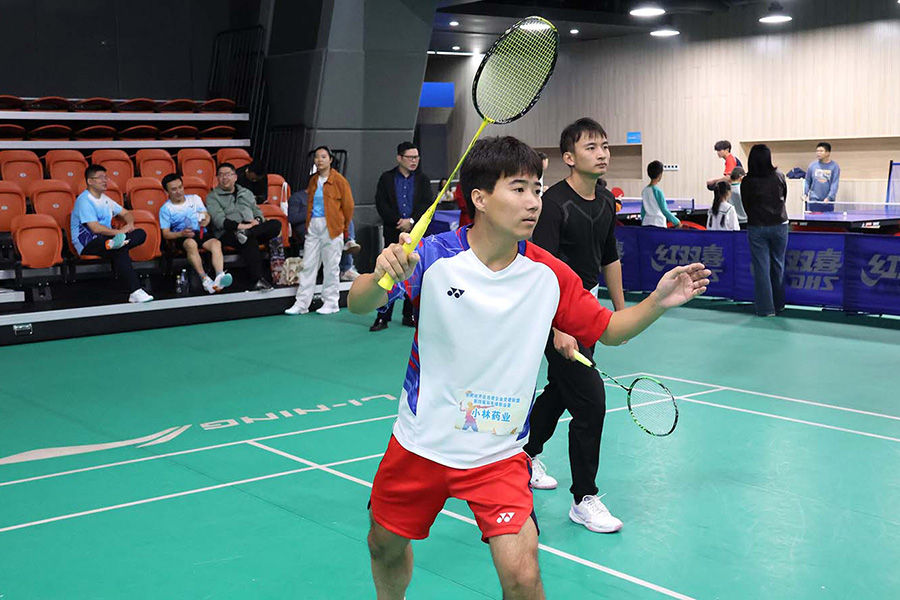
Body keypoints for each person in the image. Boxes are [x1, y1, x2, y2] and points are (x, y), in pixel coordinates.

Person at [348, 135, 710, 600]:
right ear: (479, 198)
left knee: (523, 576)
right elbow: (359, 303)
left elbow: (609, 330)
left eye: (537, 189)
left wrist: (658, 302)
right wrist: (383, 275)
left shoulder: (549, 274)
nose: (534, 201)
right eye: (518, 189)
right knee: (383, 546)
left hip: (497, 455)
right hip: (420, 446)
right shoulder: (432, 256)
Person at [524, 118, 627, 534]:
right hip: (555, 312)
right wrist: (556, 326)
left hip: (587, 308)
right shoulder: (552, 204)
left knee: (560, 390)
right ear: (569, 157)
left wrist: (621, 313)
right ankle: (584, 498)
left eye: (605, 146)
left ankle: (524, 455)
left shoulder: (605, 200)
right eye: (591, 147)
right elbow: (540, 268)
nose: (601, 154)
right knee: (590, 401)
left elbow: (609, 255)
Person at [370, 142, 434, 331]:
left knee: (414, 272)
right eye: (410, 157)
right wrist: (398, 221)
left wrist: (411, 221)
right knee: (388, 273)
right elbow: (381, 203)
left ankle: (409, 315)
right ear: (400, 158)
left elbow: (427, 204)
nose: (414, 161)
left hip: (415, 234)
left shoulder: (423, 180)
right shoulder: (387, 178)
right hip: (393, 231)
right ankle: (382, 317)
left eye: (417, 157)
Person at [285, 146, 355, 315]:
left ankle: (331, 302)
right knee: (308, 265)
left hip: (332, 226)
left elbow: (348, 206)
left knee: (331, 266)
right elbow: (310, 204)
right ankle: (302, 304)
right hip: (314, 226)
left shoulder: (339, 181)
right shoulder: (314, 180)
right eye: (317, 157)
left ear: (330, 160)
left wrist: (344, 228)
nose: (319, 160)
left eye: (323, 156)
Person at [71, 164, 153, 303]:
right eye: (101, 177)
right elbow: (95, 228)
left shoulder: (105, 199)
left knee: (140, 233)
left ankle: (117, 243)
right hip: (87, 241)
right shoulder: (84, 200)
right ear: (90, 181)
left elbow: (126, 213)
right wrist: (120, 232)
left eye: (106, 177)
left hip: (108, 239)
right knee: (119, 249)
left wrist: (130, 224)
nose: (105, 180)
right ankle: (135, 291)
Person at [206, 162, 282, 291]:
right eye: (221, 175)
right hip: (228, 232)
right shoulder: (212, 197)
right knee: (249, 241)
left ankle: (247, 233)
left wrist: (257, 220)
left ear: (235, 177)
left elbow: (257, 212)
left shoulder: (246, 193)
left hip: (250, 228)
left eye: (228, 174)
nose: (224, 178)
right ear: (217, 178)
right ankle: (258, 279)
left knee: (276, 224)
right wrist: (241, 226)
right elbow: (219, 221)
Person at [159, 174, 232, 294]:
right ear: (166, 192)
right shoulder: (165, 209)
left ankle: (219, 276)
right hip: (182, 236)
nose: (179, 191)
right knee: (191, 244)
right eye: (174, 189)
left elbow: (206, 215)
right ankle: (205, 279)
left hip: (200, 233)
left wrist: (206, 220)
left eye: (180, 187)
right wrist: (181, 234)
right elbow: (166, 234)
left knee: (216, 243)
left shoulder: (195, 199)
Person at [741, 144, 788, 317]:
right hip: (780, 225)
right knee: (778, 265)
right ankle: (779, 304)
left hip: (757, 227)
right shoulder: (779, 176)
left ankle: (766, 309)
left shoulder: (747, 181)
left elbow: (746, 205)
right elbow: (784, 197)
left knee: (761, 268)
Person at [641, 160, 682, 228]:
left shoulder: (644, 190)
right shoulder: (657, 191)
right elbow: (664, 210)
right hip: (658, 224)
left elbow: (643, 211)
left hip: (646, 224)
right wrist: (676, 222)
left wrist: (643, 222)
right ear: (660, 175)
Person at [803, 142, 841, 213]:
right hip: (814, 200)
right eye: (817, 151)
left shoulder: (835, 167)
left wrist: (829, 197)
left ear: (827, 153)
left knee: (827, 219)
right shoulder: (812, 165)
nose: (818, 153)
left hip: (828, 201)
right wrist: (805, 193)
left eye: (821, 151)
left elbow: (834, 184)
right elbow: (807, 181)